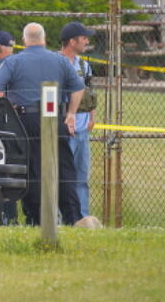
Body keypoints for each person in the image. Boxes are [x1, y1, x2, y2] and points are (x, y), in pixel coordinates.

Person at [0, 22, 84, 226]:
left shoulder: (14, 62)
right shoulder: (60, 61)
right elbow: (78, 87)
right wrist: (71, 114)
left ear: (24, 40)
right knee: (64, 168)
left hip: (26, 120)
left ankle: (36, 218)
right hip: (55, 118)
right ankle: (72, 217)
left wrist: (10, 108)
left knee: (32, 169)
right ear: (44, 38)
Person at [59, 21, 97, 220]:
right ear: (72, 41)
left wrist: (92, 117)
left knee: (82, 178)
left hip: (82, 129)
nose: (86, 41)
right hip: (64, 130)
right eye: (83, 38)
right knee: (62, 176)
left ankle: (82, 217)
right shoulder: (56, 62)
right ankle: (59, 216)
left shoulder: (84, 65)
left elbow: (90, 91)